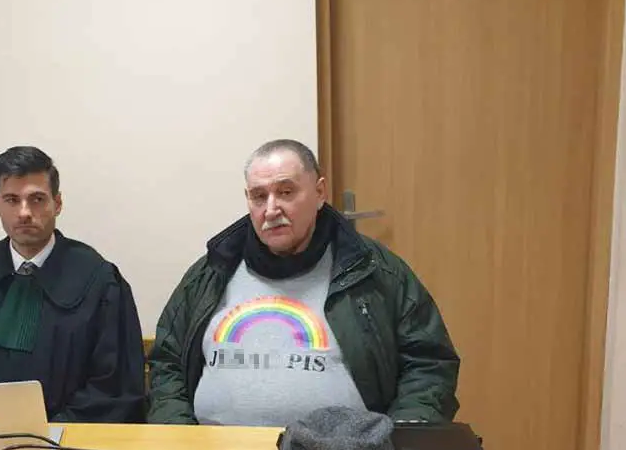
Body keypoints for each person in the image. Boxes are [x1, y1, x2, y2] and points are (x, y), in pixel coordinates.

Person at [147, 139, 459, 426]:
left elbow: (429, 363)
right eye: (259, 196)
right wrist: (180, 435)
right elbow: (166, 362)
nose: (271, 210)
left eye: (286, 192)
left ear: (320, 193)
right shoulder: (211, 272)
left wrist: (401, 437)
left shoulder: (373, 270)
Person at [0, 146, 146, 423]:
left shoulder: (101, 283)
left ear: (57, 203)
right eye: (12, 200)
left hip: (75, 441)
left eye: (37, 199)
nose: (24, 212)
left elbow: (115, 389)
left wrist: (49, 434)